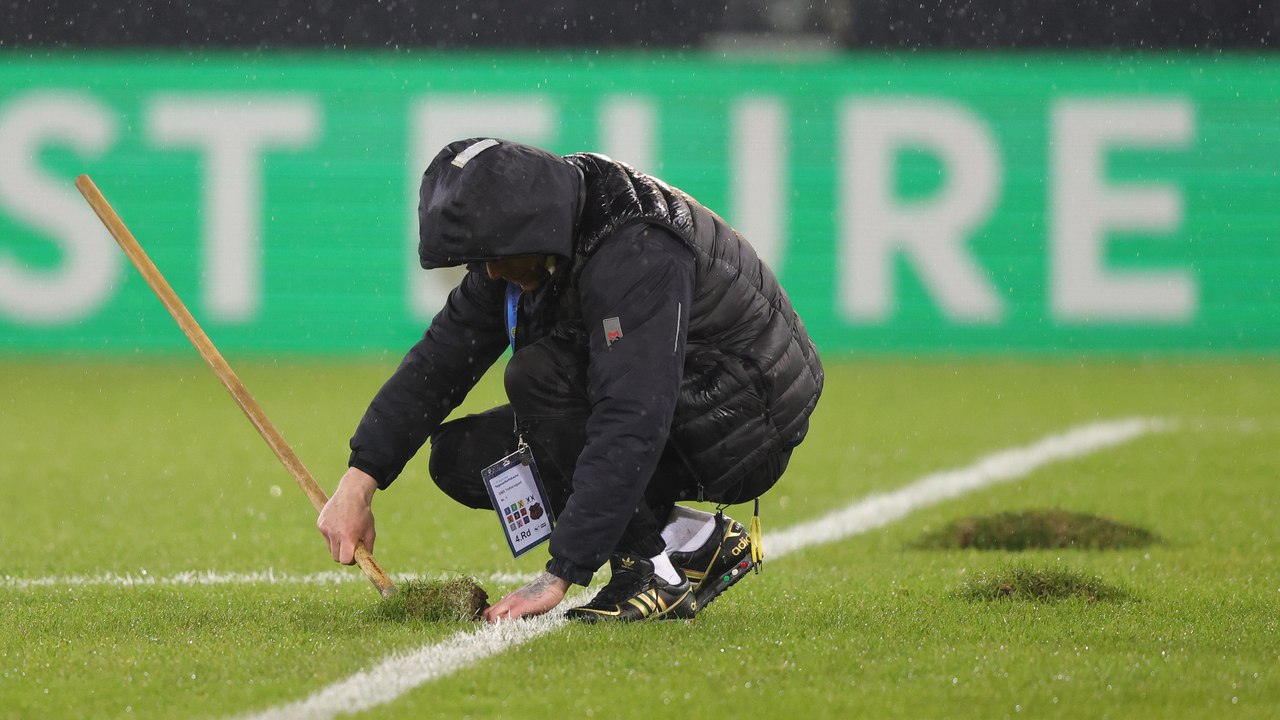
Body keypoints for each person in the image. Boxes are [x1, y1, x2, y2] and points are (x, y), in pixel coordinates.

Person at [317, 138, 823, 623]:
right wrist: (357, 484)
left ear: (528, 229)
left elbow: (633, 415)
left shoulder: (636, 251)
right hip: (676, 400)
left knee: (539, 376)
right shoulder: (530, 235)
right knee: (464, 458)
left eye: (492, 257)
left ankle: (648, 570)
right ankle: (693, 543)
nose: (488, 274)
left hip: (746, 419)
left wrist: (560, 574)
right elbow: (438, 362)